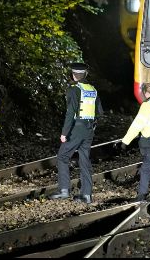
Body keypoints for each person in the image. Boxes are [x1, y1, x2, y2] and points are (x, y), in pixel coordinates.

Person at [50, 62, 103, 204]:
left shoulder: (74, 90)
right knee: (84, 159)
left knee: (62, 156)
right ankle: (86, 195)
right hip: (89, 129)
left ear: (73, 75)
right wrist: (91, 126)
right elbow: (99, 112)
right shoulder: (93, 90)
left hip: (77, 128)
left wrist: (64, 133)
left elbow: (70, 113)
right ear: (85, 74)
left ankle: (64, 190)